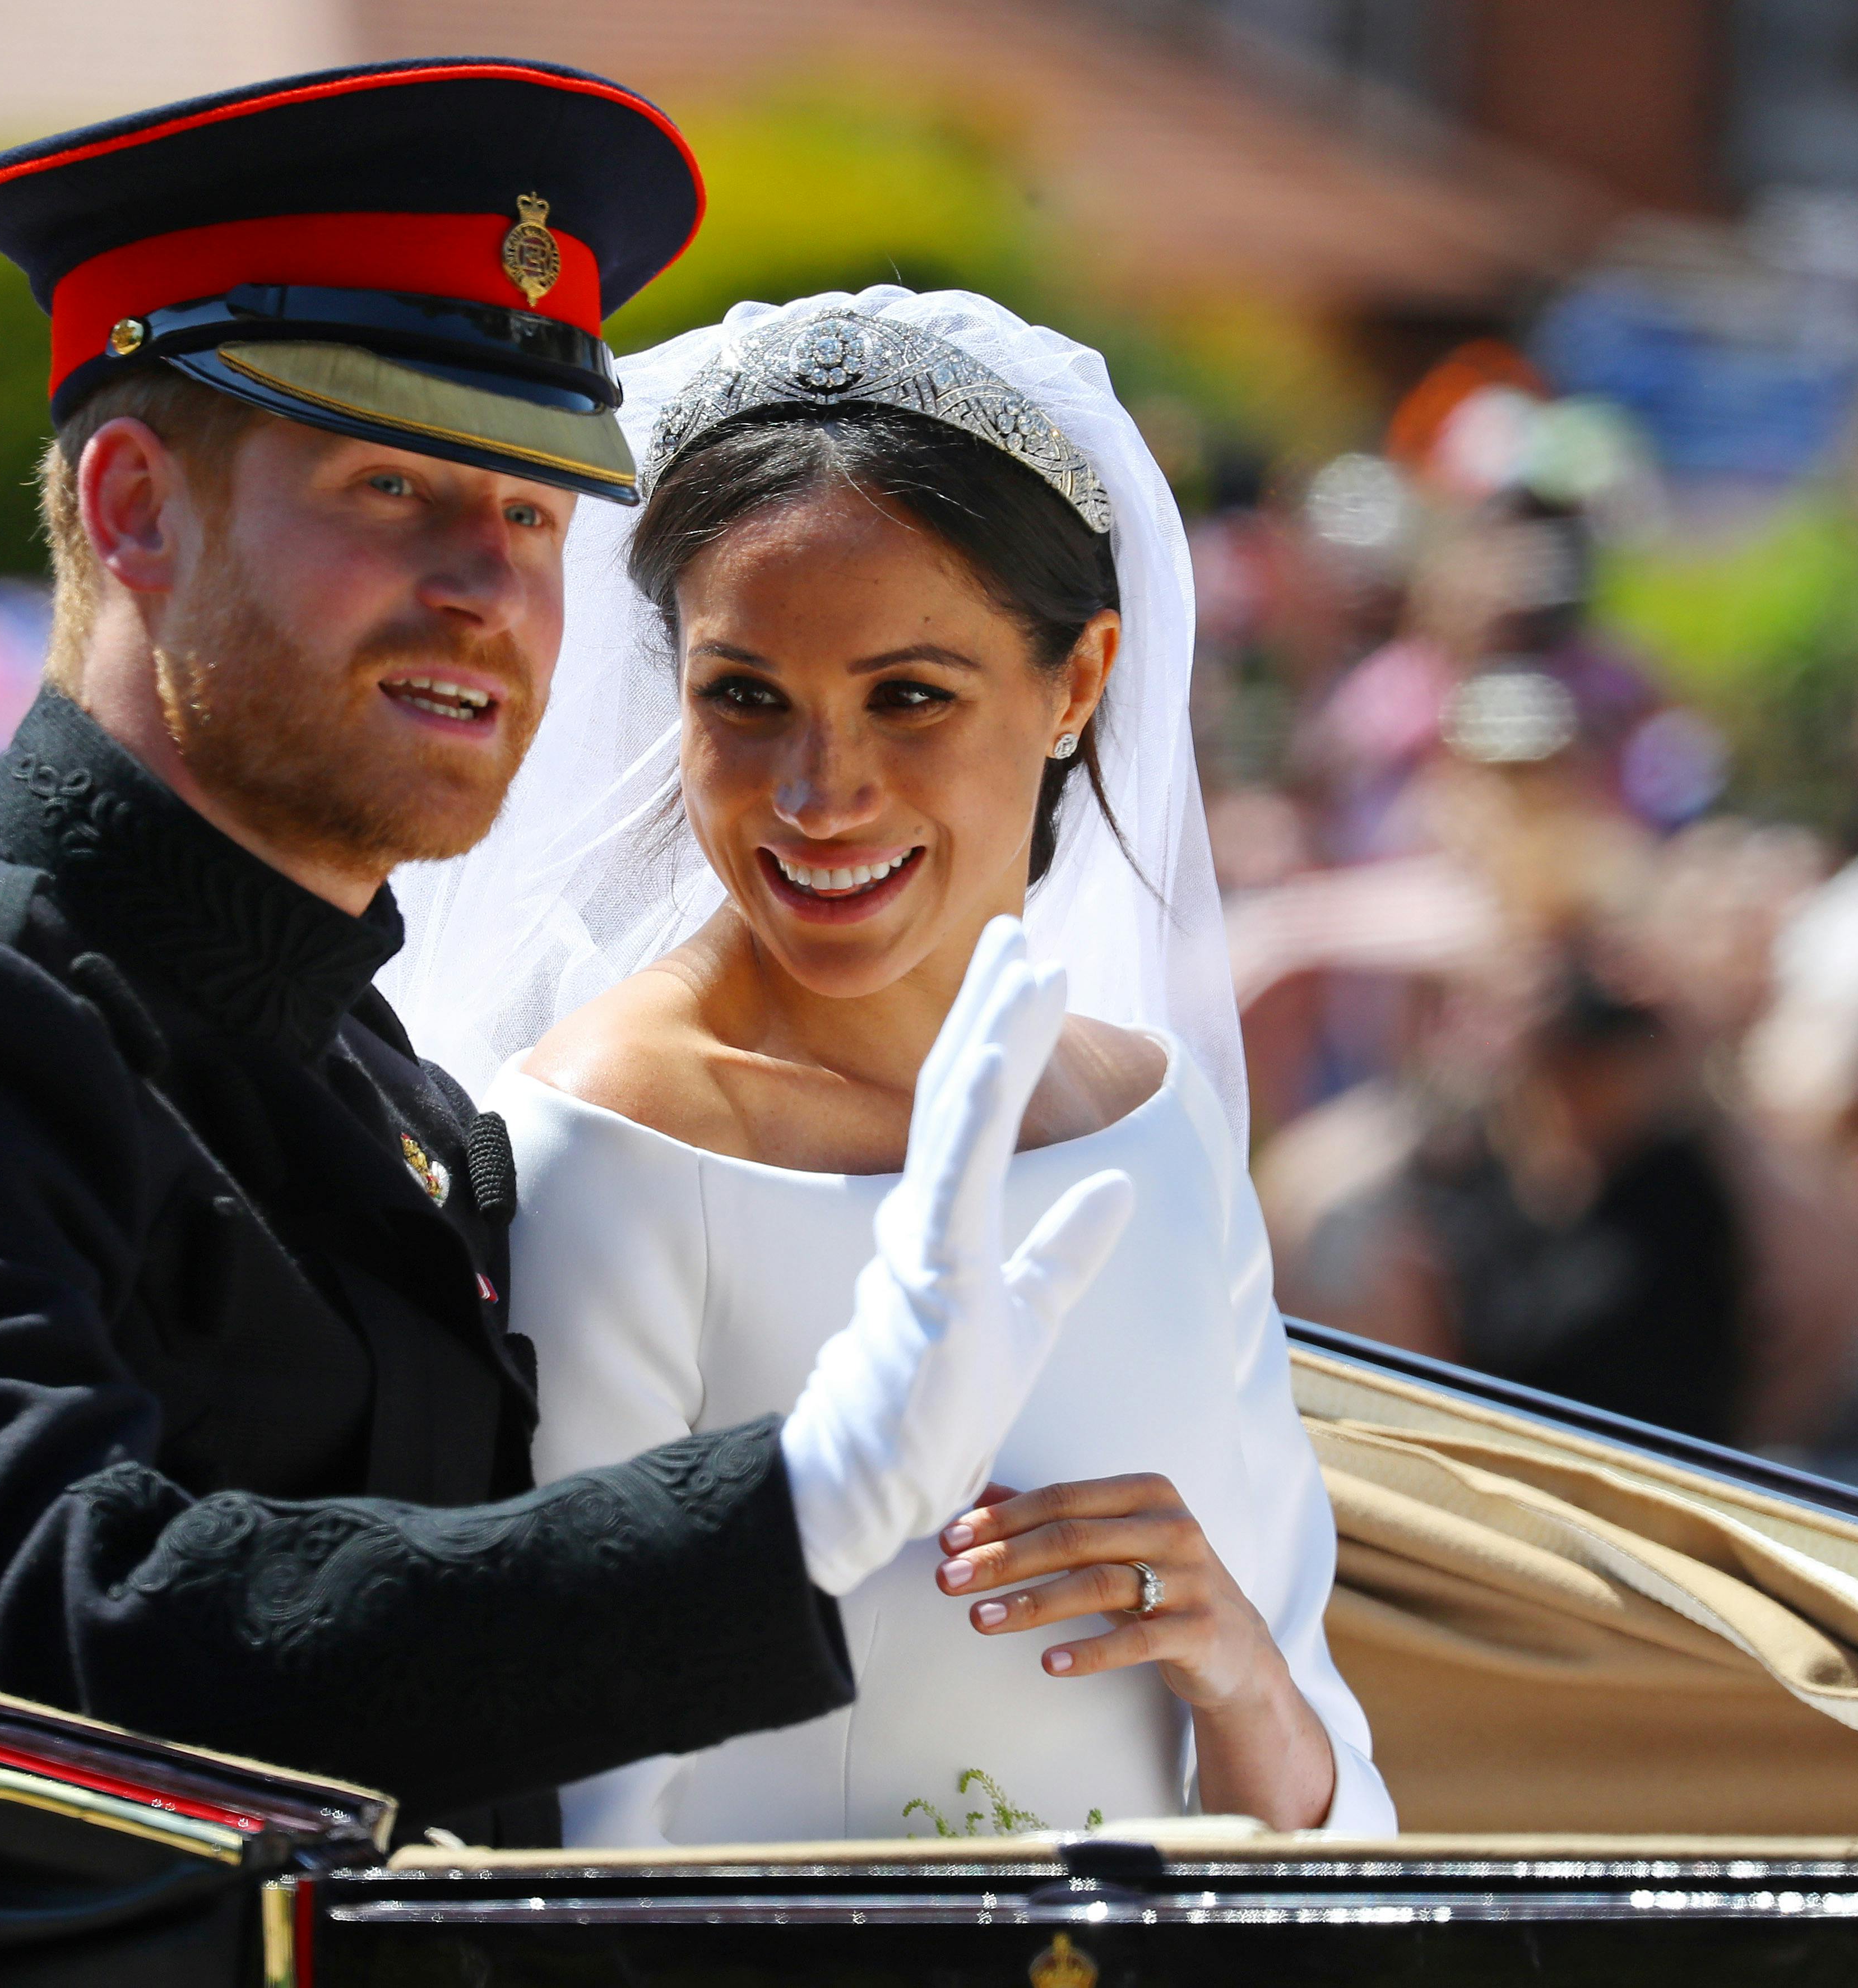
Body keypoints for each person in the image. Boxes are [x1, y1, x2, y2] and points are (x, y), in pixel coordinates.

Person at [0, 69, 1127, 1848]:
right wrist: (794, 1506)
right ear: (132, 508)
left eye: (528, 514)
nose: (487, 589)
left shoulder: (369, 1079)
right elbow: (63, 1651)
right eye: (390, 485)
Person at [388, 289, 1394, 1838]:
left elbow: (1322, 1792)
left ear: (1075, 683)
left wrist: (1233, 1666)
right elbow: (577, 1813)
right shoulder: (610, 1142)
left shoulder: (1154, 1120)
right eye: (746, 700)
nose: (819, 792)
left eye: (908, 696)